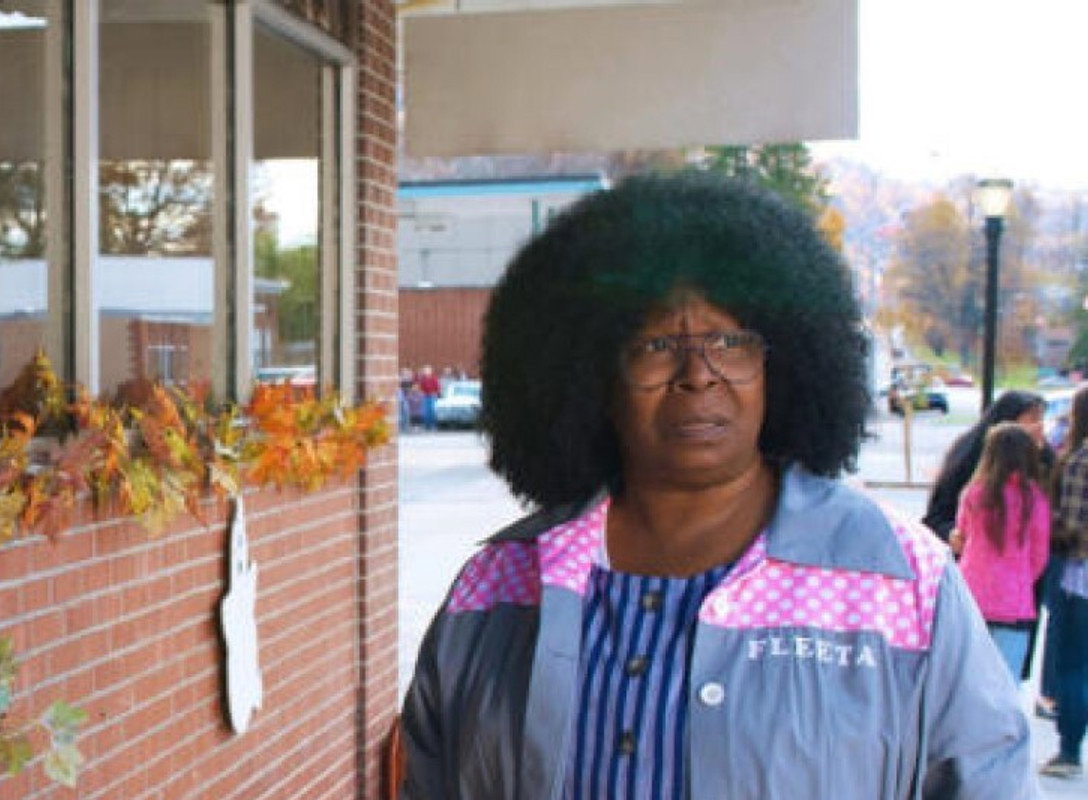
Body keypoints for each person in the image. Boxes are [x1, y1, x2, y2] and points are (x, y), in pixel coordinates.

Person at [398, 173, 1033, 798]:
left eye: (729, 341)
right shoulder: (499, 584)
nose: (698, 375)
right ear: (592, 375)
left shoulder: (898, 580)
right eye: (654, 344)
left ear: (778, 363)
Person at [950, 422, 1051, 673]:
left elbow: (961, 537)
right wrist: (1023, 578)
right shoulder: (1035, 499)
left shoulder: (974, 493)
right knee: (1006, 679)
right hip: (1015, 602)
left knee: (970, 677)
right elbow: (1039, 555)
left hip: (972, 593)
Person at [923, 390, 1048, 542]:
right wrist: (954, 536)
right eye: (1032, 419)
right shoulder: (971, 457)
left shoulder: (1044, 457)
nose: (1040, 426)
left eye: (1041, 419)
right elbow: (937, 517)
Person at [1043, 386, 1088, 778]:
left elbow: (1072, 526)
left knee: (1075, 666)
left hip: (1082, 578)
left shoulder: (1080, 460)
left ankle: (1070, 751)